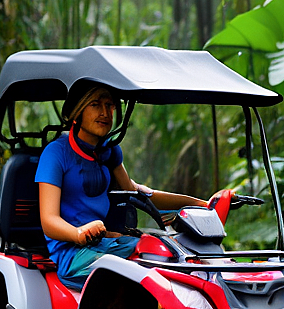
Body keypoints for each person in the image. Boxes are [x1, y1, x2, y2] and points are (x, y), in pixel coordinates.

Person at [35, 82, 206, 290]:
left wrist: (201, 204)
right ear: (77, 112)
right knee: (136, 275)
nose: (105, 113)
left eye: (110, 105)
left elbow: (138, 194)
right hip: (72, 255)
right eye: (96, 104)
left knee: (163, 252)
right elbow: (48, 220)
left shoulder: (108, 152)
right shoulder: (55, 154)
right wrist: (79, 234)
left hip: (105, 242)